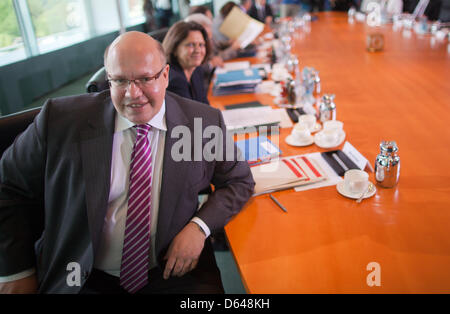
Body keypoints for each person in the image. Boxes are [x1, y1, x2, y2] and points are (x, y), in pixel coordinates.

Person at [0, 31, 254, 294]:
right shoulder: (60, 121)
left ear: (165, 75)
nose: (133, 94)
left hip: (168, 269)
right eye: (120, 80)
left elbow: (239, 180)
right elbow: (8, 186)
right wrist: (16, 271)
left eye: (146, 78)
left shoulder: (201, 124)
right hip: (80, 274)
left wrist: (199, 227)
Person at [162, 21, 211, 105]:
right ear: (174, 48)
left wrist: (215, 116)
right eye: (191, 45)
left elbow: (204, 106)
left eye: (201, 45)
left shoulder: (196, 70)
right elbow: (190, 116)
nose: (198, 50)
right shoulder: (175, 81)